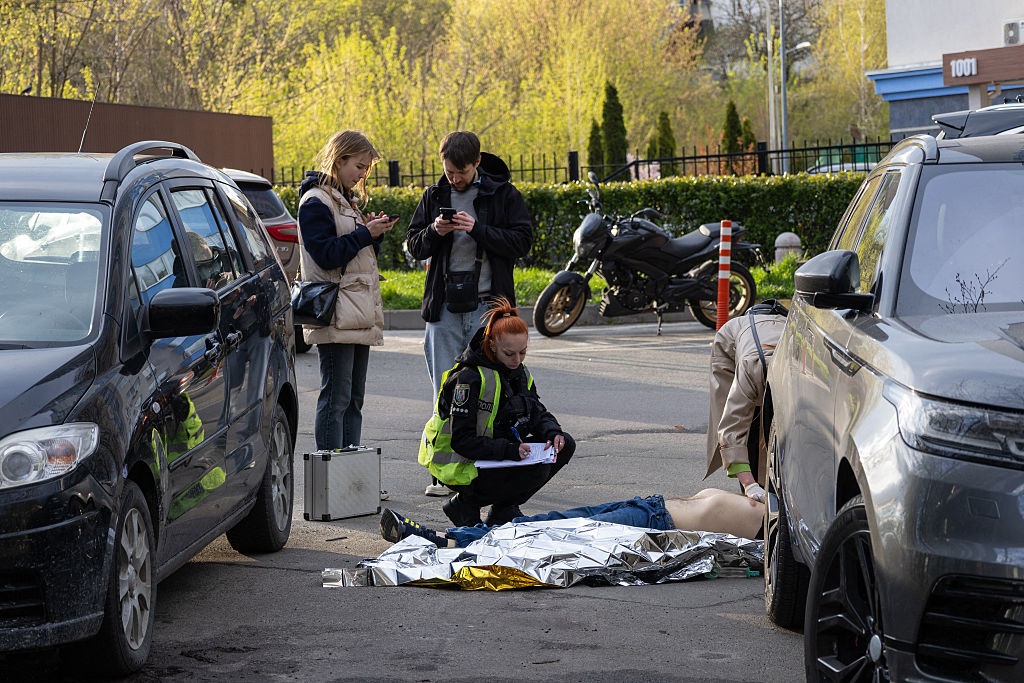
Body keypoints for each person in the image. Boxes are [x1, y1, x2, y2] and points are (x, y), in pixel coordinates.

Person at [406, 131, 533, 496]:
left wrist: (478, 229)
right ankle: (445, 474)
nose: (454, 179)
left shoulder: (503, 194)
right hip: (444, 306)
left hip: (487, 308)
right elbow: (415, 245)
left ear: (477, 162)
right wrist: (435, 230)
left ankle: (491, 470)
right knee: (445, 393)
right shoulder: (434, 195)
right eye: (449, 172)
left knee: (491, 392)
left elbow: (522, 242)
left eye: (460, 172)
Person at [418, 298, 573, 527]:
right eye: (510, 354)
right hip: (461, 466)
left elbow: (536, 410)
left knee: (564, 445)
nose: (517, 360)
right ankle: (465, 503)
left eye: (523, 352)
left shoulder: (519, 372)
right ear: (492, 345)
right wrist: (509, 450)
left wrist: (553, 432)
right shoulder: (469, 378)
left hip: (495, 454)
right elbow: (461, 441)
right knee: (536, 471)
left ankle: (503, 510)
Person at [297, 130, 397, 450]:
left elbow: (355, 258)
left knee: (353, 399)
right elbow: (327, 256)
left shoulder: (344, 200)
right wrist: (365, 234)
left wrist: (373, 235)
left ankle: (353, 468)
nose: (362, 175)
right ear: (339, 160)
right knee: (336, 398)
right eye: (359, 166)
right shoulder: (316, 202)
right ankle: (331, 469)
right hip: (336, 311)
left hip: (356, 309)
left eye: (366, 169)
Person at [380, 488, 764, 548]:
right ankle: (456, 535)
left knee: (550, 530)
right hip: (651, 507)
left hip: (657, 524)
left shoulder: (782, 527)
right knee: (549, 520)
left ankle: (446, 539)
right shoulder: (785, 500)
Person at [704, 302, 788, 502]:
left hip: (781, 326)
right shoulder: (753, 368)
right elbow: (731, 428)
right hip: (733, 343)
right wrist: (750, 485)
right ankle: (752, 491)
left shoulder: (808, 373)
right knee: (745, 420)